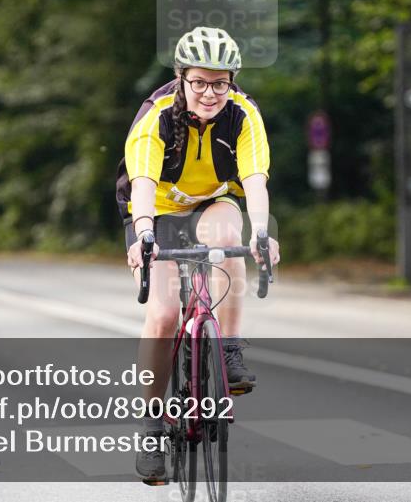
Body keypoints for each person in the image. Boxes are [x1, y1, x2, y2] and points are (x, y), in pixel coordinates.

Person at [115, 26, 281, 482]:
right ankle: (152, 429)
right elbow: (142, 186)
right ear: (181, 78)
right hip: (156, 210)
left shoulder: (243, 114)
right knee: (164, 315)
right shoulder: (156, 117)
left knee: (229, 236)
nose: (210, 93)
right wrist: (144, 236)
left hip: (213, 201)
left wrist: (261, 232)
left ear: (232, 81)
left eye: (220, 83)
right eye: (200, 82)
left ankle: (228, 348)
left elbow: (255, 182)